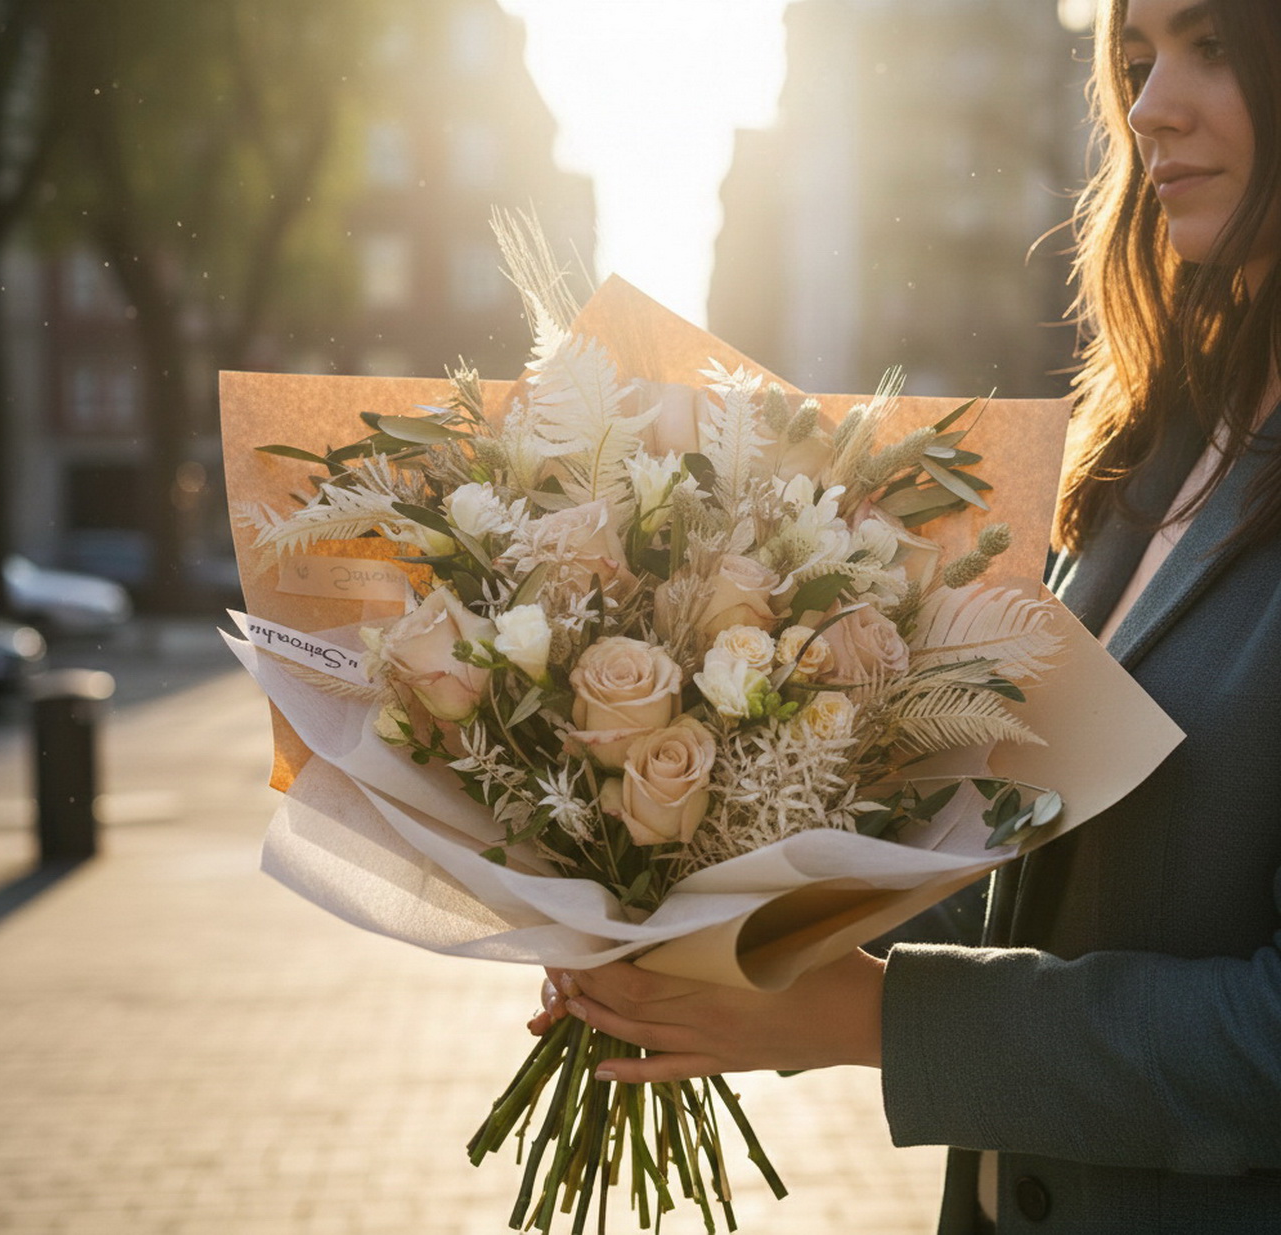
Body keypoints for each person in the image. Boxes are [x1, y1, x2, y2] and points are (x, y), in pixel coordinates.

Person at [527, 1, 1281, 1230]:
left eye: (1211, 47)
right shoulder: (1155, 444)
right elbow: (1023, 848)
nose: (1147, 109)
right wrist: (701, 922)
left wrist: (871, 1016)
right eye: (1136, 63)